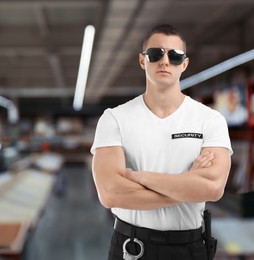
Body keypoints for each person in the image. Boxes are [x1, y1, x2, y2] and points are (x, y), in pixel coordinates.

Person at [90, 24, 232, 260]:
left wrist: (139, 177)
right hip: (131, 249)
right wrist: (188, 186)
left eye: (175, 56)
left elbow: (213, 188)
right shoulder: (115, 118)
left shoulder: (210, 120)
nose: (165, 61)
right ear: (142, 60)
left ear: (184, 64)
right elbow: (110, 193)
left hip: (191, 249)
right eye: (156, 54)